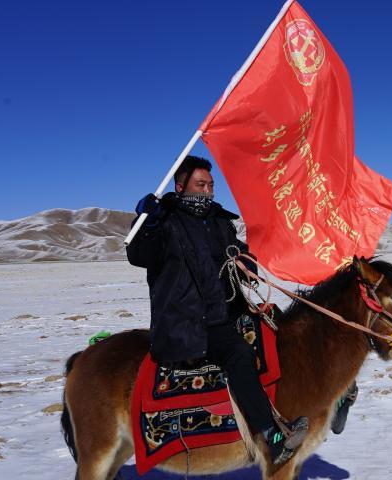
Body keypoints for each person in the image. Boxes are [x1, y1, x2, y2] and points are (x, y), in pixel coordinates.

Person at [127, 155, 305, 466]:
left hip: (230, 310)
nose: (208, 191)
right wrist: (147, 222)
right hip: (190, 322)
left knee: (281, 329)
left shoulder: (219, 220)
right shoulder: (164, 221)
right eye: (201, 185)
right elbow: (140, 254)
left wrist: (246, 263)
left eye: (211, 185)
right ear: (181, 187)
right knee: (238, 354)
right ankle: (271, 435)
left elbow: (238, 250)